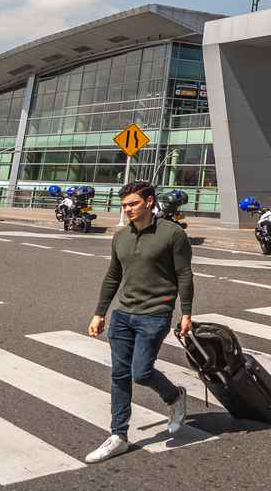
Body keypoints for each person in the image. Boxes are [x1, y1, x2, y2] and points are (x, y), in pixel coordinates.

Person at [83, 180, 194, 464]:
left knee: (141, 372)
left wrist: (187, 313)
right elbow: (112, 276)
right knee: (119, 376)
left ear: (149, 202)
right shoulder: (120, 237)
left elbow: (184, 274)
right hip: (123, 315)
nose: (128, 209)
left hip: (155, 313)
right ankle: (118, 436)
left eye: (132, 204)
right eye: (124, 205)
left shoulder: (172, 233)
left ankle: (174, 396)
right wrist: (100, 312)